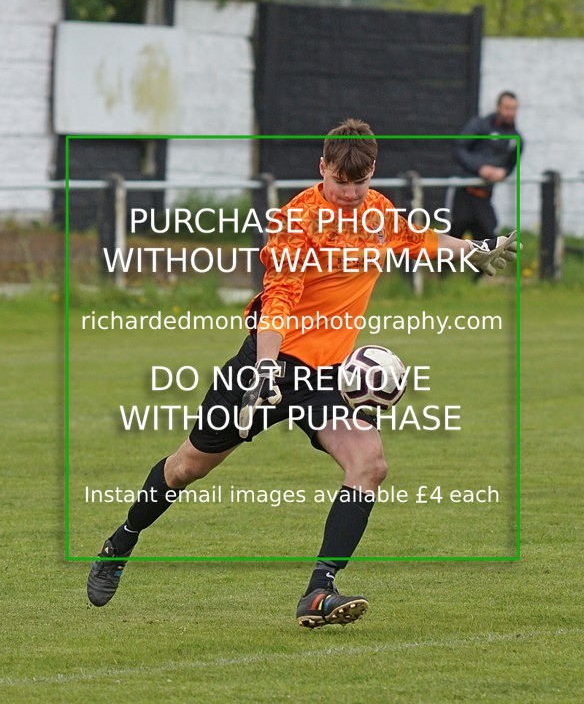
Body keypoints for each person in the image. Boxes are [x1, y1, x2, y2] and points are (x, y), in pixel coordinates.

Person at [87, 119, 519, 628]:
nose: (350, 194)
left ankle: (319, 591)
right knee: (188, 466)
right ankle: (121, 543)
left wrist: (475, 251)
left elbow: (416, 238)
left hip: (328, 379)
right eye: (340, 182)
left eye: (359, 184)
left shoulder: (377, 212)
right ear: (323, 168)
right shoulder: (297, 221)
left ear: (372, 173)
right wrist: (264, 371)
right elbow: (279, 301)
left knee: (369, 463)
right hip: (269, 366)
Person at [448, 91, 524, 240]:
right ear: (498, 107)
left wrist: (503, 172)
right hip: (464, 192)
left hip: (484, 196)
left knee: (488, 238)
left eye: (514, 109)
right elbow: (458, 149)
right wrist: (480, 168)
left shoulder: (516, 139)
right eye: (507, 108)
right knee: (452, 238)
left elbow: (511, 165)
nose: (511, 113)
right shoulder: (479, 125)